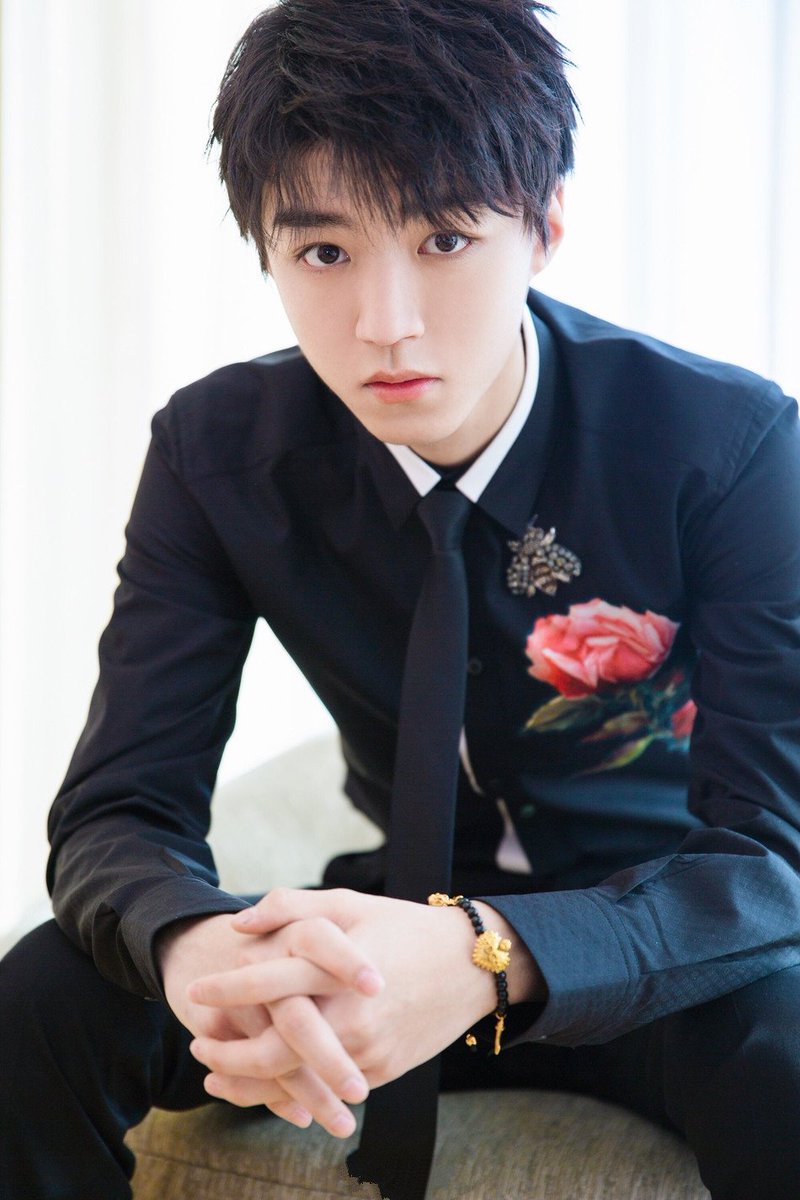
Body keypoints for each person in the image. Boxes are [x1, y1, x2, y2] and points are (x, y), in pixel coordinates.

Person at [2, 1, 800, 1197]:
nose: (386, 326)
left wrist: (486, 955)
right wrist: (192, 943)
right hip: (379, 934)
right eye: (323, 253)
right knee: (41, 996)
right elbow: (118, 808)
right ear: (265, 253)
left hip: (655, 940)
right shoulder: (215, 454)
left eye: (443, 240)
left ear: (543, 227)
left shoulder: (723, 443)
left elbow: (769, 858)